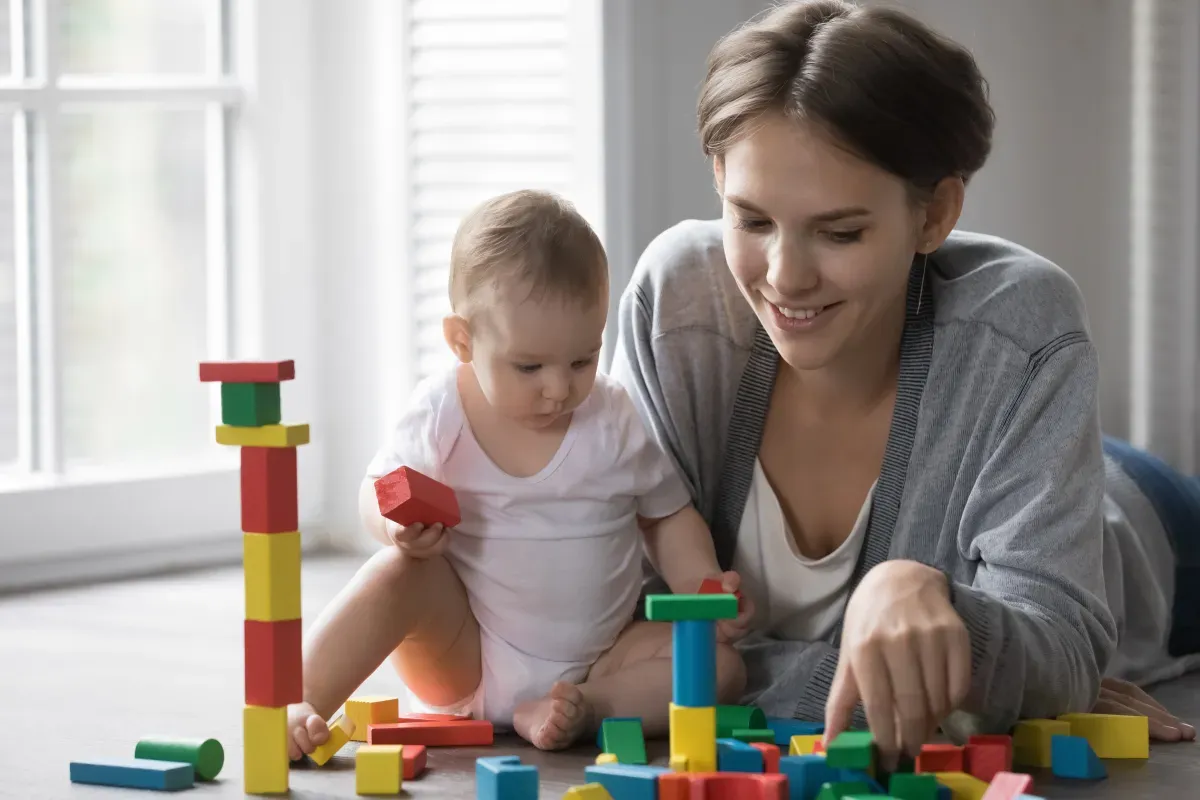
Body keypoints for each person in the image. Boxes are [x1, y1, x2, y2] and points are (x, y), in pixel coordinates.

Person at [610, 0, 1200, 770]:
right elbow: (617, 622)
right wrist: (953, 677)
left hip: (1146, 529)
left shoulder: (1022, 324)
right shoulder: (676, 306)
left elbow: (1058, 648)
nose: (784, 277)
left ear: (936, 214)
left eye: (840, 231)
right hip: (1015, 482)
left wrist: (942, 607)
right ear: (719, 176)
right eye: (752, 220)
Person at [284, 190, 751, 761]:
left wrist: (702, 587)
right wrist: (393, 525)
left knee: (721, 668)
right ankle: (298, 700)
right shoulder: (441, 412)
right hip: (467, 651)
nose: (559, 387)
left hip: (603, 656)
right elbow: (376, 492)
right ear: (462, 340)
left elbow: (667, 516)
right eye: (529, 366)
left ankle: (585, 708)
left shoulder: (612, 416)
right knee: (396, 573)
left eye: (582, 359)